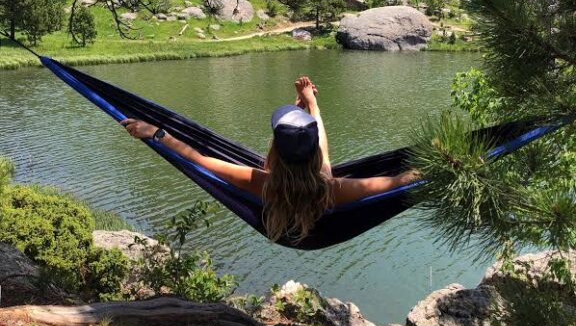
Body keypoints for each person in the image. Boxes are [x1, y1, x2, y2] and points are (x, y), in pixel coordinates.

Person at [121, 76, 419, 243]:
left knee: (321, 166)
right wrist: (311, 105)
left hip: (282, 222)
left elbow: (197, 158)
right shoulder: (331, 188)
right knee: (326, 170)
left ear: (274, 151)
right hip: (320, 214)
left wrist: (156, 133)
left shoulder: (261, 182)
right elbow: (398, 180)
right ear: (312, 153)